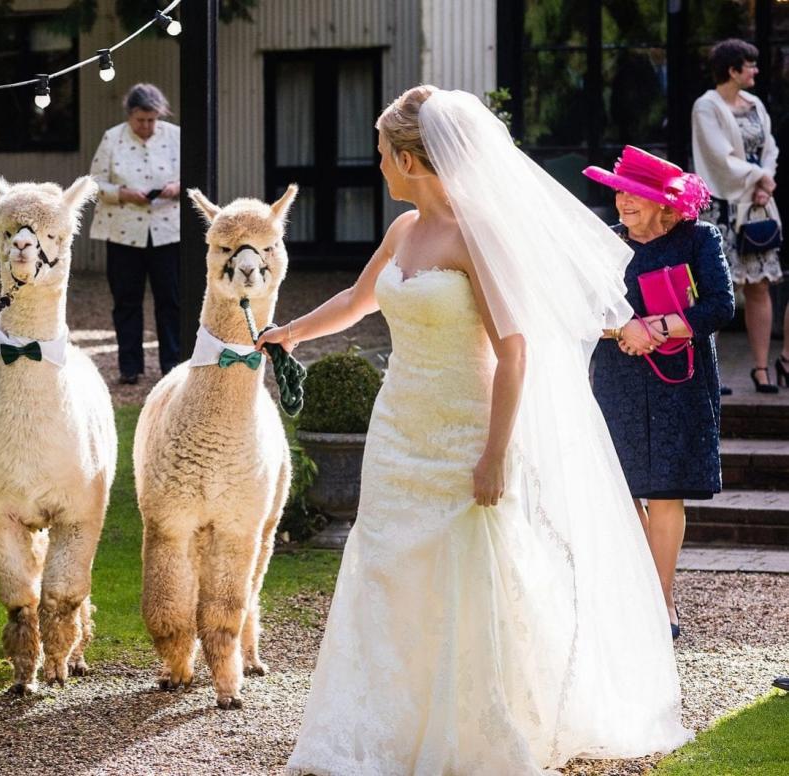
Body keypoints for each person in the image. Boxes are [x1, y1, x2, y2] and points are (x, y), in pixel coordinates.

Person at [261, 87, 691, 774]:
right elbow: (357, 299)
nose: (377, 167)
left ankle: (480, 726)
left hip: (466, 429)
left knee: (474, 574)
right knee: (386, 568)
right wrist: (288, 332)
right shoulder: (403, 232)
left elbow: (515, 349)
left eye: (382, 156)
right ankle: (386, 723)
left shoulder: (476, 236)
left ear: (412, 160)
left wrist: (495, 453)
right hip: (399, 427)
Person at [584, 147, 734, 642]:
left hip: (682, 383)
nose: (622, 202)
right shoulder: (605, 244)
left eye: (635, 195)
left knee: (667, 488)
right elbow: (581, 306)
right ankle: (640, 594)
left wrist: (661, 326)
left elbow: (720, 305)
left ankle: (661, 600)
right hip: (618, 378)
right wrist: (622, 328)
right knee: (623, 487)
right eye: (619, 192)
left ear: (663, 203)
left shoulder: (699, 239)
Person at [692, 38, 787, 393]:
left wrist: (766, 180)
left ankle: (761, 369)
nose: (756, 71)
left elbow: (770, 148)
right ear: (732, 70)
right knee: (718, 288)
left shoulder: (756, 105)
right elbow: (718, 156)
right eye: (750, 65)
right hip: (722, 207)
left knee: (759, 286)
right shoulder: (706, 106)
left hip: (757, 205)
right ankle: (710, 373)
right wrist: (758, 178)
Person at [88, 83, 181, 385]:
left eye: (152, 120)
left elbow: (194, 173)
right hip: (124, 232)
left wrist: (175, 188)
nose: (146, 126)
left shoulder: (175, 136)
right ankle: (130, 366)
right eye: (141, 120)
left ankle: (173, 363)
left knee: (171, 299)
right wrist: (123, 193)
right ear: (130, 115)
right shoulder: (112, 138)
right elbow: (94, 183)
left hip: (168, 231)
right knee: (126, 300)